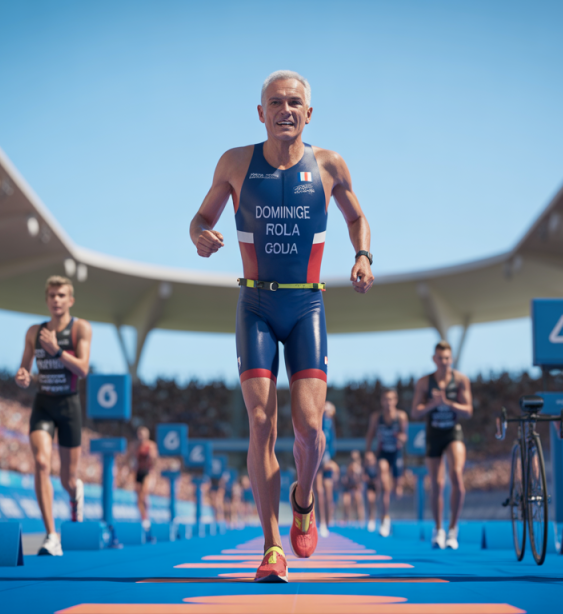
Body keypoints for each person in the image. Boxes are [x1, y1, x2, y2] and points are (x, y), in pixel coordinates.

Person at [189, 70, 374, 583]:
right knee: (261, 424)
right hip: (256, 306)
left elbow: (357, 217)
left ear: (308, 114)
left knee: (310, 430)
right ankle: (272, 546)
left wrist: (362, 255)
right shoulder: (235, 163)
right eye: (276, 102)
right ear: (261, 113)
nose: (285, 110)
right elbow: (200, 218)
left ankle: (304, 497)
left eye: (295, 102)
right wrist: (201, 235)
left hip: (306, 308)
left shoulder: (330, 164)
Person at [15, 275, 92, 556]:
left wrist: (56, 350)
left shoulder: (80, 328)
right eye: (52, 296)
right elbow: (25, 369)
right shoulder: (34, 331)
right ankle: (51, 535)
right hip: (44, 404)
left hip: (69, 406)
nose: (56, 300)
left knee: (67, 479)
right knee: (41, 462)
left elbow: (83, 369)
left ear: (70, 300)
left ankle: (75, 495)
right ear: (47, 300)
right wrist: (23, 376)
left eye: (62, 296)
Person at [411, 340, 472, 550]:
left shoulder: (461, 380)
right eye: (440, 358)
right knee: (437, 484)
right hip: (434, 433)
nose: (444, 362)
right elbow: (415, 412)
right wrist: (433, 404)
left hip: (453, 432)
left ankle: (453, 529)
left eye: (447, 358)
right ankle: (438, 529)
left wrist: (448, 403)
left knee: (456, 474)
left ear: (451, 359)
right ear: (434, 359)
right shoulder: (424, 383)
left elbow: (468, 410)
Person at [364, 388, 408, 537]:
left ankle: (396, 487)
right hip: (382, 453)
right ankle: (384, 519)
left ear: (395, 401)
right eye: (385, 399)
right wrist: (368, 452)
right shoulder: (377, 417)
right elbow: (370, 435)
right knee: (384, 485)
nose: (388, 403)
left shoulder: (401, 416)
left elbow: (405, 436)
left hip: (396, 454)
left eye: (391, 399)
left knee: (396, 491)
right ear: (382, 401)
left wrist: (401, 438)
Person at [315, 401, 338, 537]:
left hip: (327, 458)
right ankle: (321, 522)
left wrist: (330, 461)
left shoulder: (331, 423)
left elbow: (332, 443)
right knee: (319, 491)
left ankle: (328, 522)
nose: (327, 411)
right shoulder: (320, 420)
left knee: (328, 492)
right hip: (318, 457)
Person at [129, 426, 158, 532]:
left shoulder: (151, 445)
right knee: (138, 499)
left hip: (148, 472)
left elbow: (155, 461)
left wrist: (152, 457)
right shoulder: (135, 446)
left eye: (142, 434)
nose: (140, 436)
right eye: (139, 434)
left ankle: (146, 517)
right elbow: (130, 459)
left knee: (143, 494)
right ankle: (143, 517)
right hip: (138, 472)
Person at [340, 450, 365, 526]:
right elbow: (344, 481)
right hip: (348, 489)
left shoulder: (361, 469)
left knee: (358, 498)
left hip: (357, 489)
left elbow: (362, 482)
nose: (353, 461)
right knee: (346, 500)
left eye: (355, 459)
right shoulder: (346, 468)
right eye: (352, 459)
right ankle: (346, 518)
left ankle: (361, 521)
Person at [362, 450, 381, 532]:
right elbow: (364, 477)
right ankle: (371, 519)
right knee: (370, 501)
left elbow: (380, 477)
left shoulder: (377, 466)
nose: (369, 461)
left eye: (370, 459)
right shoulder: (365, 467)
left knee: (377, 503)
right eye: (367, 459)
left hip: (377, 486)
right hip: (370, 486)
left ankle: (380, 518)